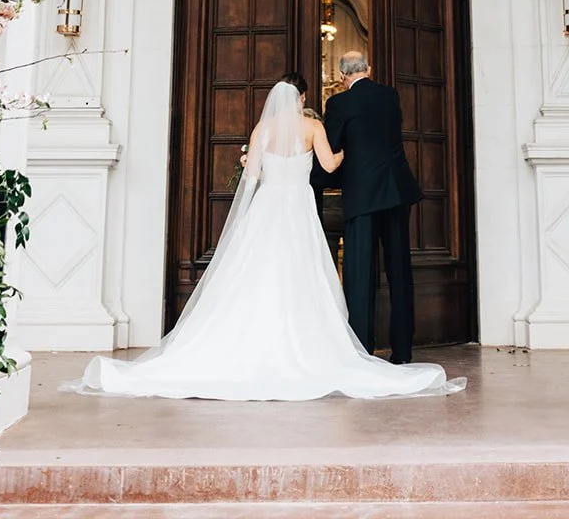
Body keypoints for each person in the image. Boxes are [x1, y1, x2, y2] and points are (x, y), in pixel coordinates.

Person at [67, 75, 463, 401]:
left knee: (255, 274)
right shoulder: (312, 127)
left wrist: (248, 160)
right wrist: (354, 151)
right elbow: (330, 163)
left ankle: (247, 344)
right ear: (303, 98)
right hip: (298, 210)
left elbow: (252, 176)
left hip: (267, 209)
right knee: (302, 275)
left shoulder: (260, 129)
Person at [323, 51, 422, 364]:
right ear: (369, 68)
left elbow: (333, 147)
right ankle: (403, 351)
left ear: (342, 77)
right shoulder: (390, 95)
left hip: (363, 195)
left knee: (360, 273)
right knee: (399, 272)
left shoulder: (338, 104)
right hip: (396, 191)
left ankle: (362, 350)